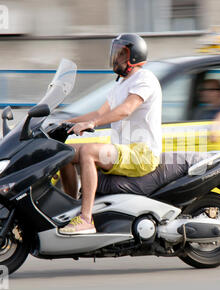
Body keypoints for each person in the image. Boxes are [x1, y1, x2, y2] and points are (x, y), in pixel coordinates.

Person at [58, 33, 162, 234]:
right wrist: (61, 122)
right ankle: (70, 209)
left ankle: (86, 219)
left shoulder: (144, 78)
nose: (116, 58)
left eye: (121, 54)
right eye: (116, 53)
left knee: (89, 151)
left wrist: (92, 123)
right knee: (64, 152)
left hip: (142, 154)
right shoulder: (119, 85)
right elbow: (99, 112)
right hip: (124, 150)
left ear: (133, 56)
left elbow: (126, 110)